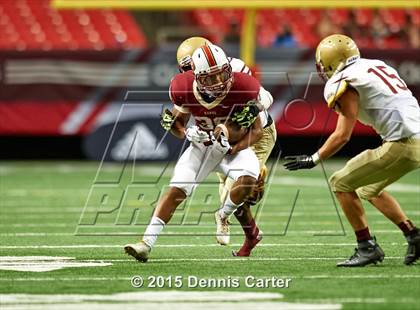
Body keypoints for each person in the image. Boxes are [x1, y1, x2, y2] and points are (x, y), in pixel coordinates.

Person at [284, 34, 420, 267]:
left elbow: (343, 135)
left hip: (403, 143)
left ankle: (367, 247)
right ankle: (414, 236)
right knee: (368, 189)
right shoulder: (376, 65)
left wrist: (313, 159)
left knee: (340, 182)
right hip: (413, 138)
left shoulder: (344, 80)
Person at [124, 44, 265, 262]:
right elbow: (176, 125)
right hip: (202, 147)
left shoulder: (244, 85)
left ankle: (223, 214)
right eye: (210, 78)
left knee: (249, 178)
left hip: (230, 148)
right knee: (177, 190)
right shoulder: (184, 88)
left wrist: (235, 147)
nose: (218, 82)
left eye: (221, 74)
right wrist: (187, 132)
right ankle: (145, 244)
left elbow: (256, 131)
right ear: (197, 77)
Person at [175, 37, 277, 256]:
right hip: (223, 136)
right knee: (230, 193)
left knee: (237, 188)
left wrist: (253, 108)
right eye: (186, 69)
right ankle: (252, 235)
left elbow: (266, 97)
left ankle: (250, 187)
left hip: (254, 132)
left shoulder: (235, 68)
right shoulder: (190, 82)